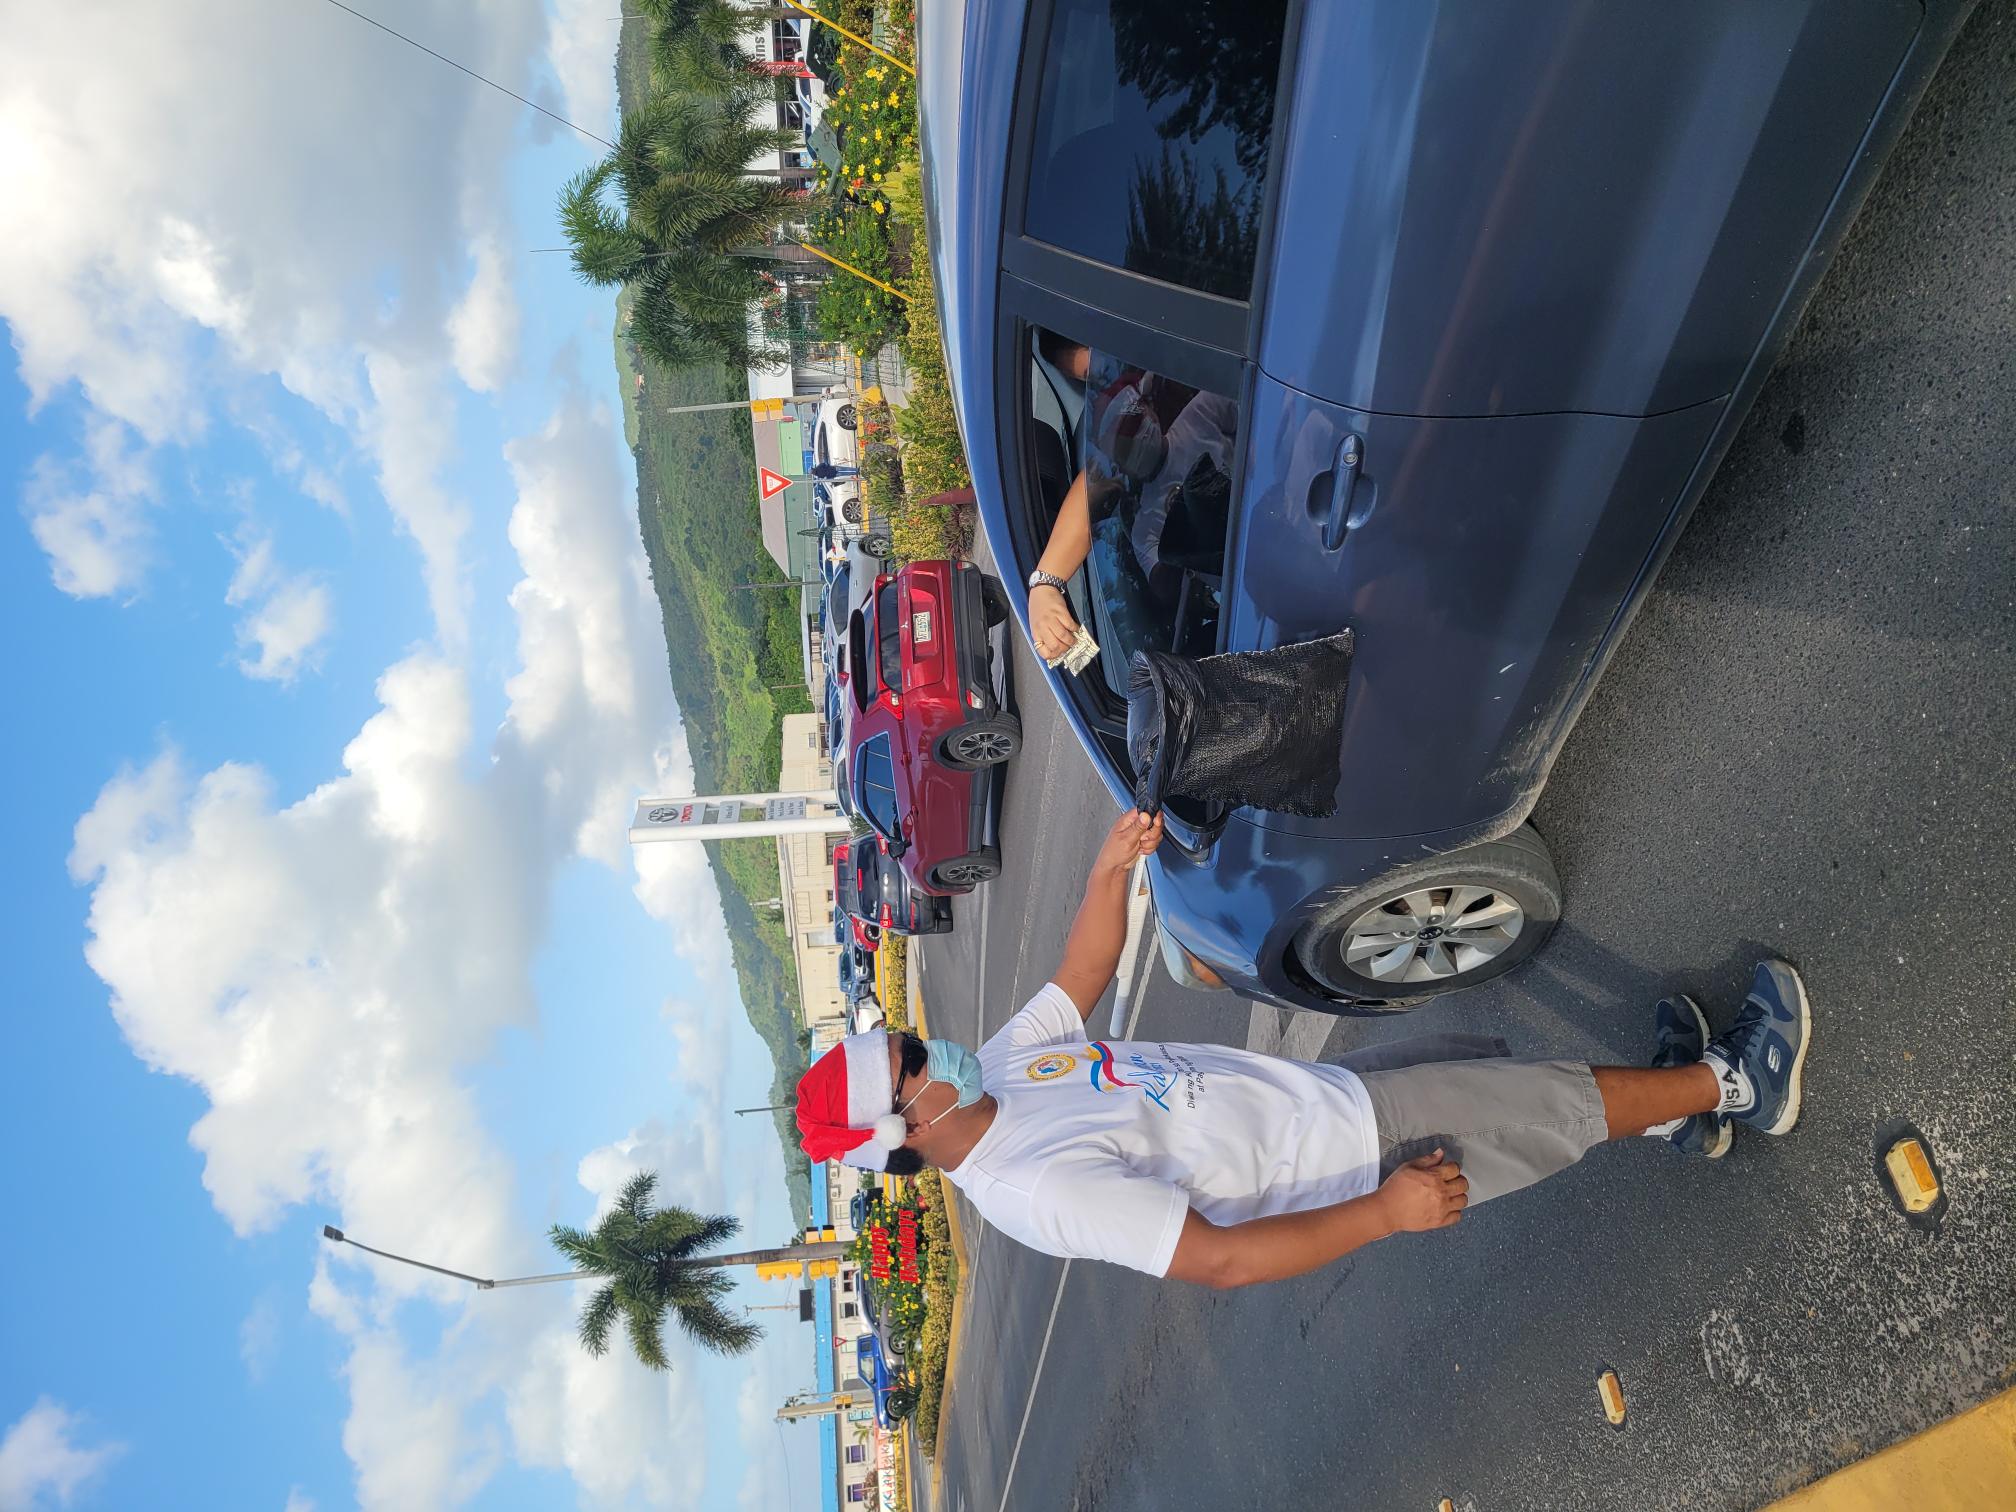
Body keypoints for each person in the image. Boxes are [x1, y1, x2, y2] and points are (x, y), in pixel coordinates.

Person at [794, 809, 1812, 1287]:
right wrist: (1381, 1212)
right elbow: (1221, 1261)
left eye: (912, 1042)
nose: (934, 1052)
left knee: (1516, 1090)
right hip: (1345, 1158)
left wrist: (1109, 869)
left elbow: (1080, 976)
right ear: (908, 1126)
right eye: (914, 1067)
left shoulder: (1008, 1074)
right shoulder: (1034, 1189)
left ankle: (1675, 1106)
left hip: (1313, 1097)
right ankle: (1735, 1084)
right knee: (1541, 1106)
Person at [1024, 330, 1236, 664]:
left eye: (1104, 365)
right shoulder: (1143, 517)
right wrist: (1045, 585)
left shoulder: (1195, 399)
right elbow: (1092, 486)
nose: (1109, 378)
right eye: (1091, 379)